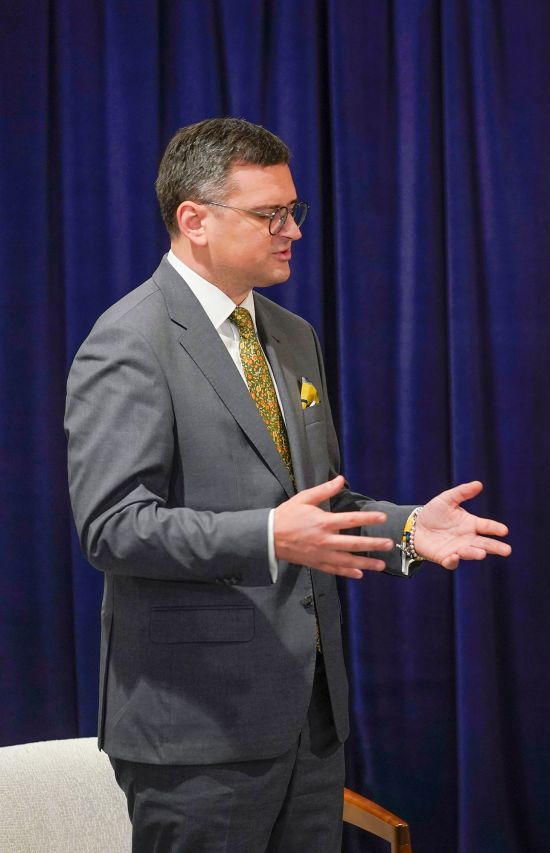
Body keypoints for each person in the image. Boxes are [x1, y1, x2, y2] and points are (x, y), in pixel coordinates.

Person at [64, 117, 512, 851]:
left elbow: (312, 501)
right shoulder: (130, 340)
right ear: (194, 220)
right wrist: (270, 536)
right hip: (197, 731)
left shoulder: (290, 333)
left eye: (292, 212)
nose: (292, 231)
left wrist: (404, 529)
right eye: (270, 214)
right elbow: (114, 526)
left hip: (311, 717)